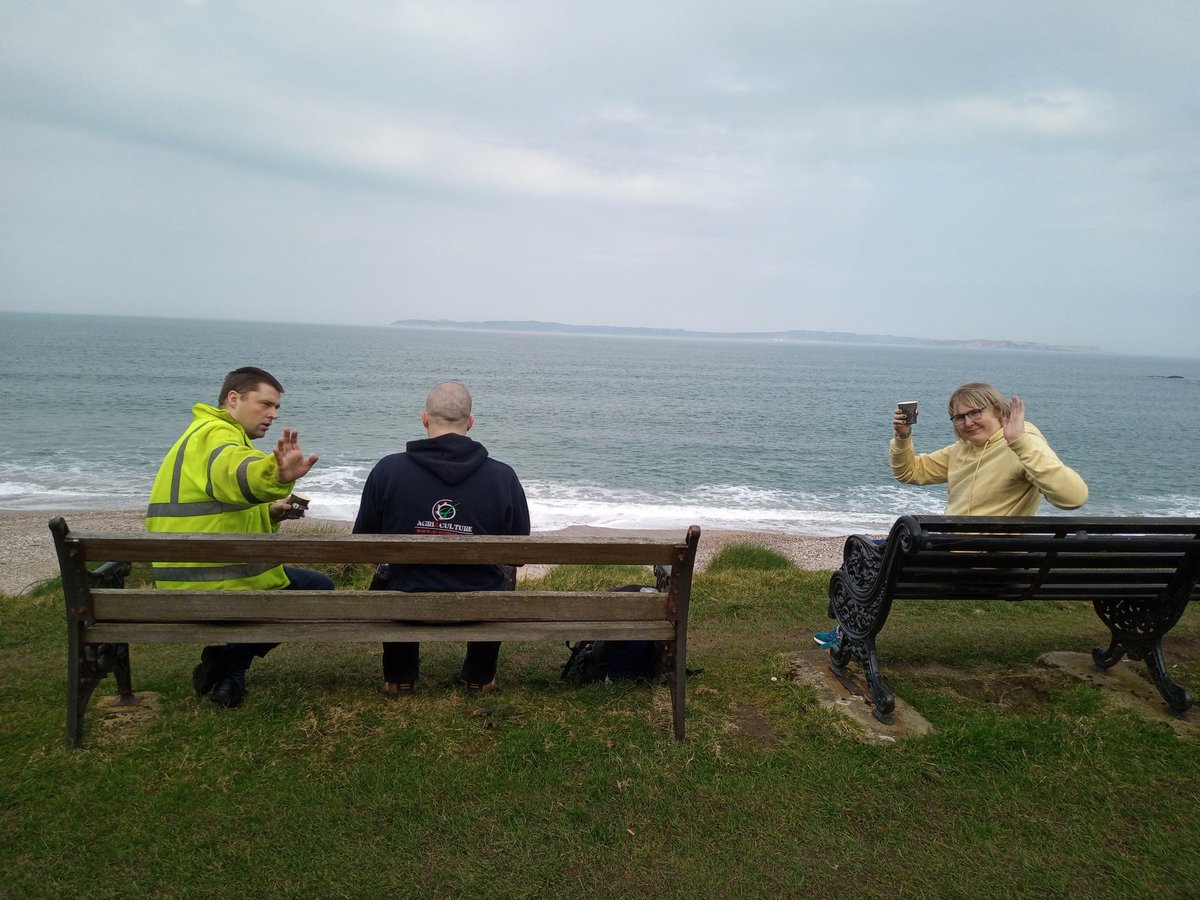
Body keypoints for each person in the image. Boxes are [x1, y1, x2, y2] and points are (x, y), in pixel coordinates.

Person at [815, 381, 1088, 649]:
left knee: (864, 555)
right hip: (957, 555)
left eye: (975, 412)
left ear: (998, 411)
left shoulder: (1022, 444)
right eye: (959, 417)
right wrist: (902, 436)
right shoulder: (963, 450)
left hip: (983, 563)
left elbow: (1073, 497)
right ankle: (845, 628)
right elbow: (910, 471)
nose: (968, 422)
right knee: (867, 554)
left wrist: (1019, 442)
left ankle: (846, 632)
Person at [147, 366, 333, 708]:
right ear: (234, 399)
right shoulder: (217, 436)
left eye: (276, 408)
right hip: (217, 580)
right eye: (265, 404)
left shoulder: (199, 435)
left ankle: (228, 672)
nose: (273, 414)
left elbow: (221, 500)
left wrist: (269, 512)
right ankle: (227, 664)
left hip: (188, 575)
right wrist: (275, 474)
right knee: (320, 591)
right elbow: (238, 473)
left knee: (300, 587)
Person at [353, 380, 531, 696]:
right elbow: (517, 553)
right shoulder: (503, 476)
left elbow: (363, 543)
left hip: (405, 595)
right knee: (506, 571)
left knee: (387, 570)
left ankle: (400, 679)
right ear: (471, 422)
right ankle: (480, 679)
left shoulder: (388, 469)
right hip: (480, 598)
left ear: (424, 418)